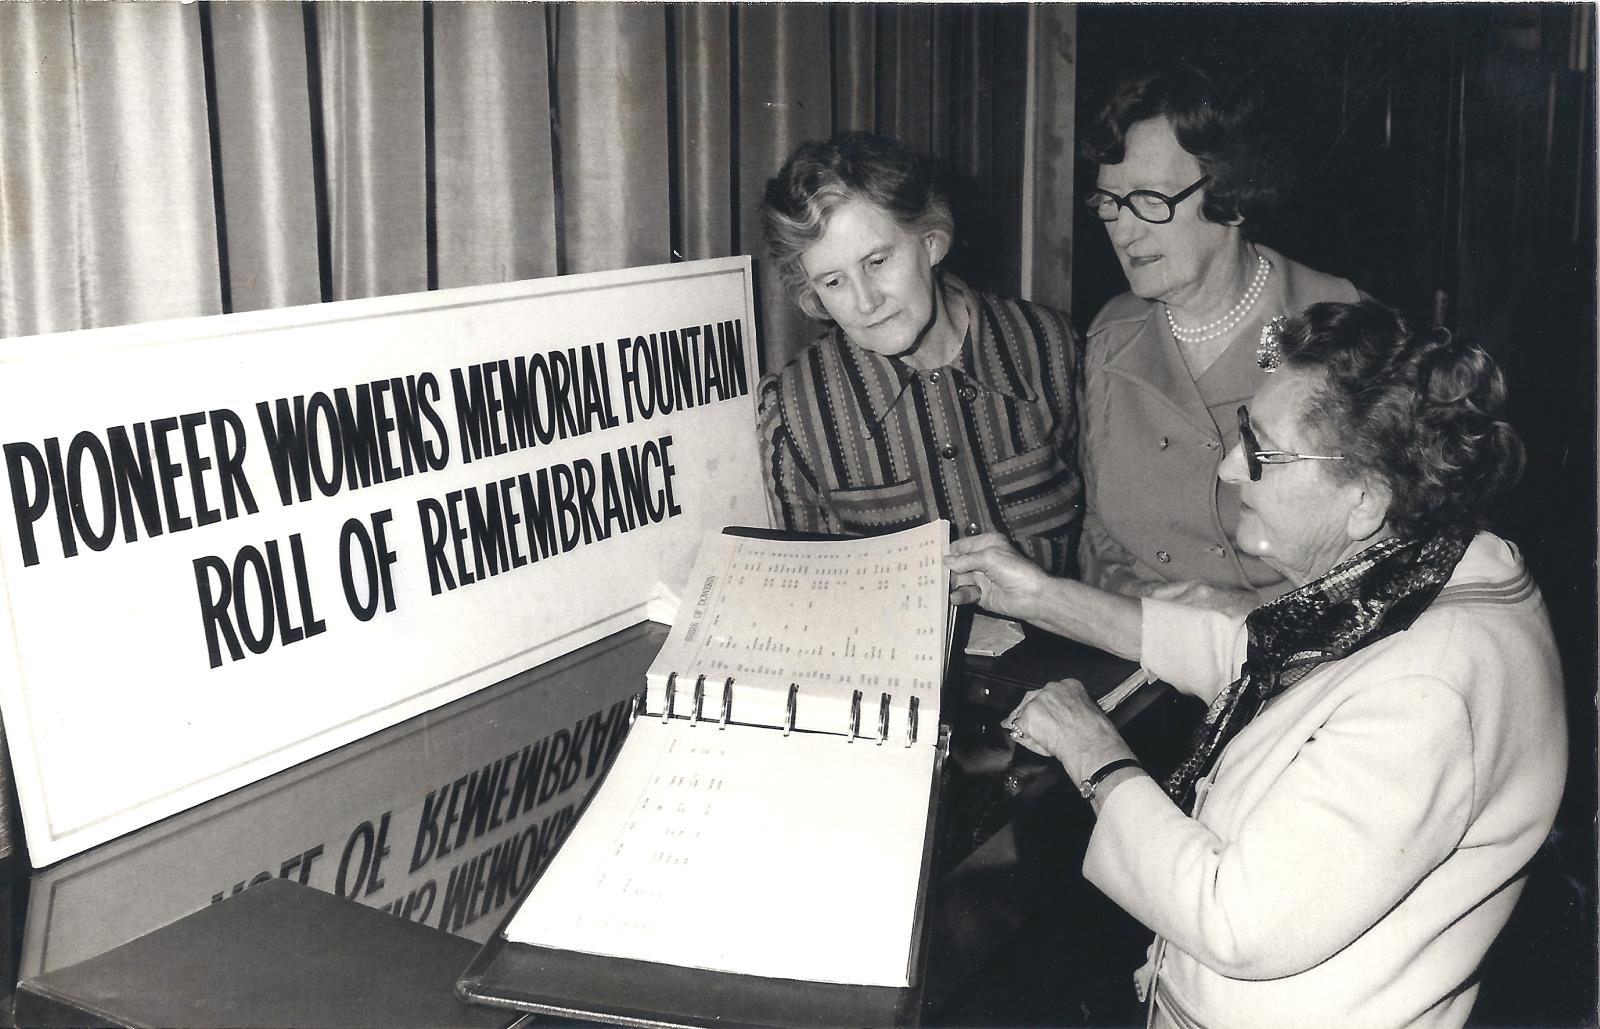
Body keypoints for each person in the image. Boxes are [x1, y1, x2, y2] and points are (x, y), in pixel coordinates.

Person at [946, 299, 1566, 1028]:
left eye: (1262, 449)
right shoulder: (1424, 564)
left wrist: (1096, 754)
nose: (1232, 463)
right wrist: (1044, 597)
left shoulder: (1428, 692)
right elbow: (1259, 659)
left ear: (1364, 497)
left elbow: (1233, 918)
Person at [1078, 64, 1361, 610]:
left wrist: (1242, 615)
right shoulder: (1109, 336)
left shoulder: (1342, 323)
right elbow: (1095, 531)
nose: (1123, 229)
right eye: (1110, 202)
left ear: (1231, 197)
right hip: (1137, 653)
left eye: (1150, 201)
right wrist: (1141, 602)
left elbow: (1398, 555)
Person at [756, 132, 1082, 576]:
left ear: (931, 241)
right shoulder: (794, 410)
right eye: (833, 281)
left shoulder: (1052, 347)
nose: (866, 302)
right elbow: (810, 599)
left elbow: (1110, 545)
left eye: (877, 261)